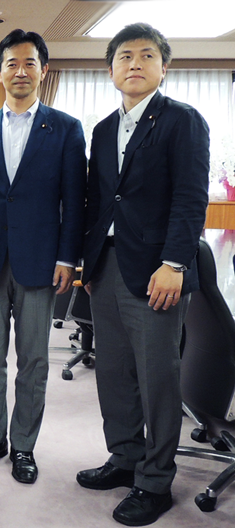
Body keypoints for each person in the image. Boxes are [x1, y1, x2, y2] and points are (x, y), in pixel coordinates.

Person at [76, 23, 209, 526]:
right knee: (113, 373)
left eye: (146, 55)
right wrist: (89, 261)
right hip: (106, 266)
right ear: (111, 69)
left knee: (156, 379)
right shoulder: (103, 129)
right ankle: (125, 457)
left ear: (163, 67)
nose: (135, 63)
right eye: (124, 56)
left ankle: (155, 482)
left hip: (157, 270)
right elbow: (97, 201)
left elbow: (191, 198)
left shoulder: (182, 120)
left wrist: (175, 263)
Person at [0, 29, 86, 484]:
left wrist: (68, 258)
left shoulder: (66, 128)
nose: (20, 71)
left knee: (33, 361)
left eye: (29, 62)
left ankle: (24, 446)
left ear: (43, 70)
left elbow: (75, 201)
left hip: (41, 261)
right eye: (11, 63)